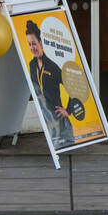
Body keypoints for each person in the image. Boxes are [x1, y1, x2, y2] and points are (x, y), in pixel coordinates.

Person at [25, 19, 74, 150]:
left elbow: (72, 88)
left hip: (61, 125)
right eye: (29, 44)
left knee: (63, 150)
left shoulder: (53, 66)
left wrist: (68, 110)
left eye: (34, 43)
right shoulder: (31, 65)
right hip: (48, 122)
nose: (32, 48)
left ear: (41, 43)